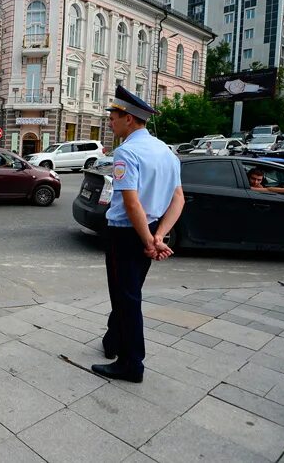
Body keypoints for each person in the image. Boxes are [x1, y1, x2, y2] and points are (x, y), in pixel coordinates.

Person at [93, 85, 185, 383]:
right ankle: (113, 342)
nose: (110, 121)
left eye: (114, 116)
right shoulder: (166, 152)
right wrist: (159, 237)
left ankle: (131, 364)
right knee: (128, 293)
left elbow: (131, 202)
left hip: (125, 234)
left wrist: (148, 240)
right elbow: (178, 199)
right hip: (150, 231)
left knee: (126, 299)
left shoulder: (127, 152)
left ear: (129, 119)